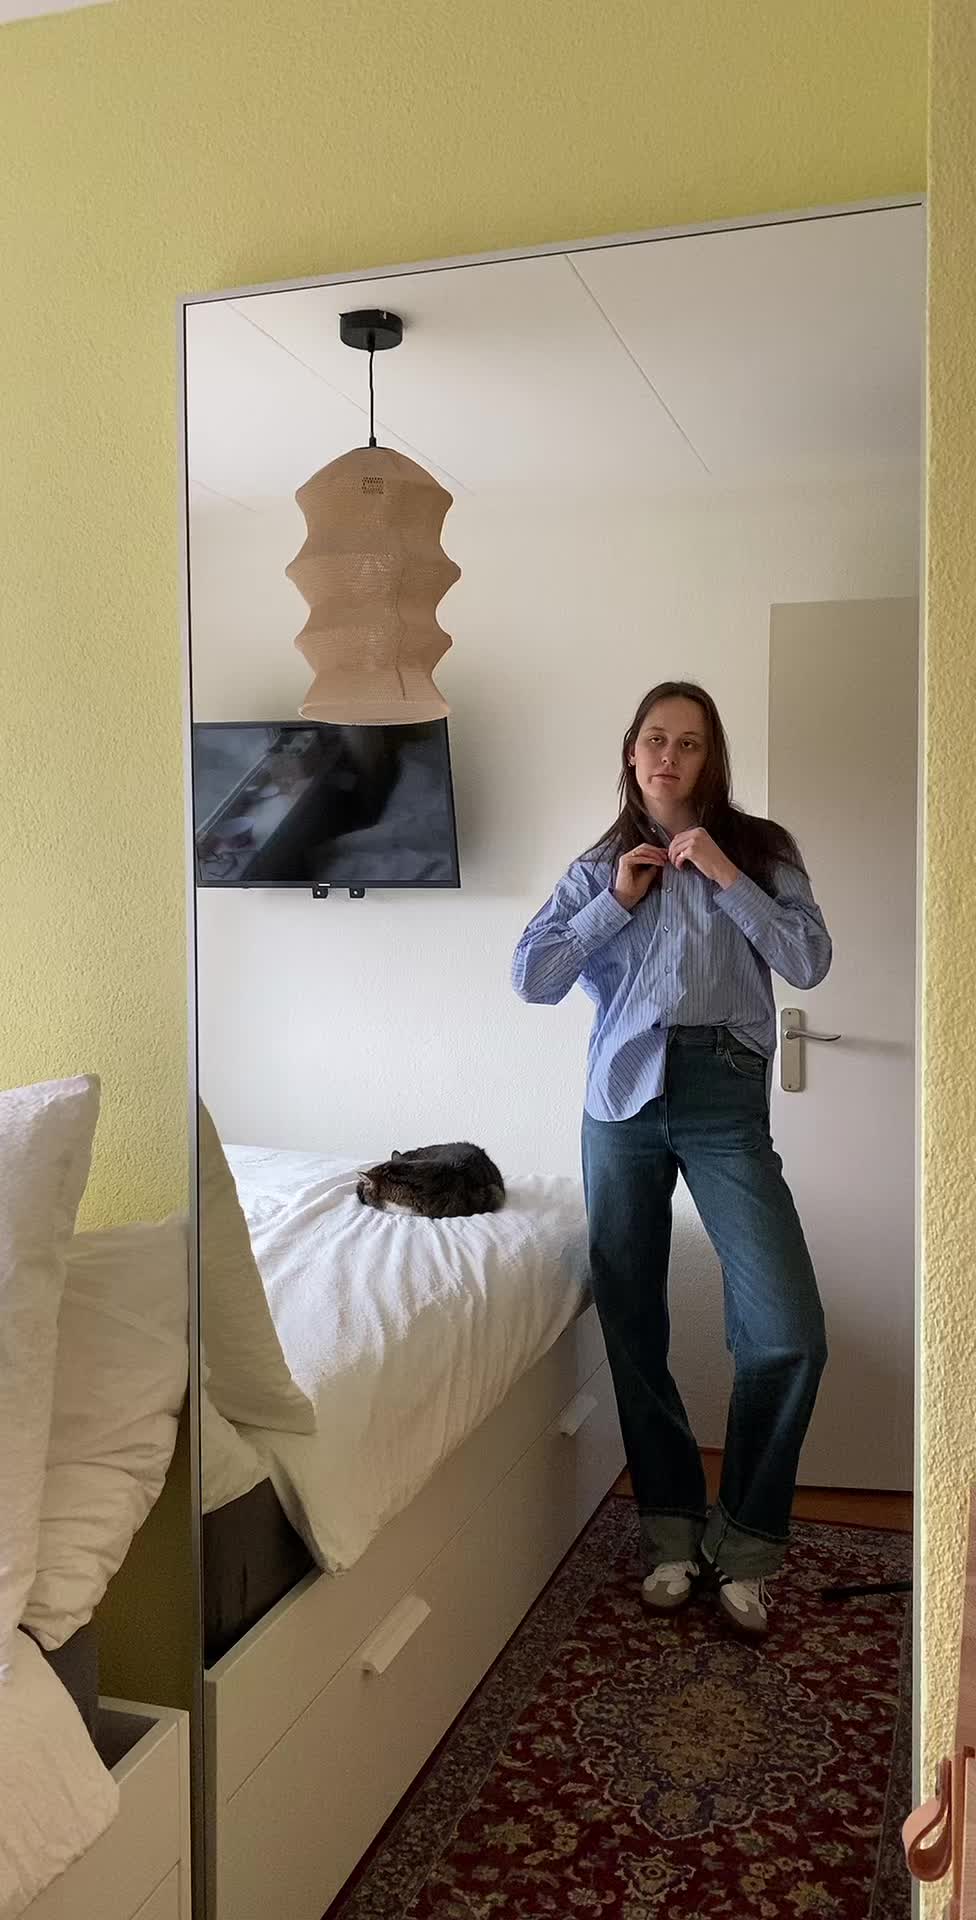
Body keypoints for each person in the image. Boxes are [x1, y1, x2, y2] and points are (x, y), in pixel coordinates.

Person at [512, 680, 830, 1636]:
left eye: (689, 742)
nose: (669, 756)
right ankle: (669, 1532)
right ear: (632, 751)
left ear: (710, 758)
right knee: (632, 1320)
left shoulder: (762, 851)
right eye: (655, 738)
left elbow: (808, 960)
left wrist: (726, 875)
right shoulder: (599, 866)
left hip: (723, 1094)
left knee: (786, 1330)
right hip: (620, 1103)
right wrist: (615, 902)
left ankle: (745, 1544)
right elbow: (533, 977)